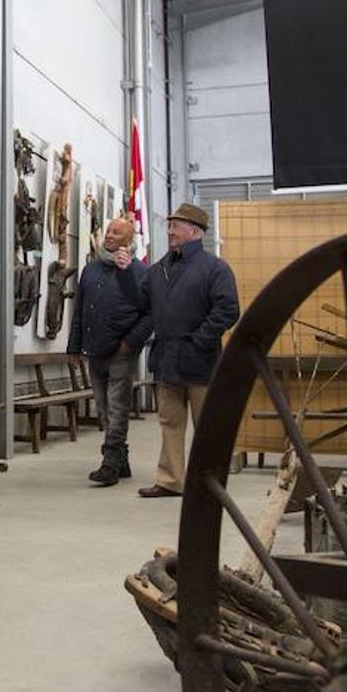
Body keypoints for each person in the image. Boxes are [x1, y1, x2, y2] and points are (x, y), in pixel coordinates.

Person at [115, 203, 239, 498]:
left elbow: (228, 310)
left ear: (194, 232)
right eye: (169, 226)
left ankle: (209, 484)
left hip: (201, 362)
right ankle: (171, 480)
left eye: (175, 226)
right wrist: (124, 272)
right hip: (167, 361)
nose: (169, 231)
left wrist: (200, 340)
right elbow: (139, 301)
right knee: (169, 423)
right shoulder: (160, 268)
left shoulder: (215, 268)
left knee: (207, 427)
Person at [67, 215, 152, 486]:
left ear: (129, 240)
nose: (110, 235)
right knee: (103, 406)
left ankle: (110, 462)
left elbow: (150, 314)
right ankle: (122, 459)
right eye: (109, 231)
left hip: (121, 351)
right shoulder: (90, 270)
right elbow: (79, 309)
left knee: (117, 406)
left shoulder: (140, 272)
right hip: (94, 349)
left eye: (117, 233)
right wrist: (74, 346)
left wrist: (131, 342)